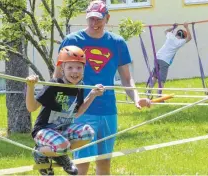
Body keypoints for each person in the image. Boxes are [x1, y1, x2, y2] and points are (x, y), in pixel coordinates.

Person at [53, 1, 151, 175]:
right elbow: (57, 76)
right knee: (82, 163)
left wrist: (136, 98)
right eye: (90, 19)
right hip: (81, 111)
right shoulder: (73, 41)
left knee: (105, 161)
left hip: (108, 110)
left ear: (107, 18)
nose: (94, 23)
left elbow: (127, 79)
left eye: (98, 19)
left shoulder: (117, 43)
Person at [26, 45, 105, 175]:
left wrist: (92, 95)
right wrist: (30, 87)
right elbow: (31, 107)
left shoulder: (79, 87)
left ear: (83, 69)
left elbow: (77, 112)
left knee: (88, 133)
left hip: (63, 129)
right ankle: (40, 153)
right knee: (62, 145)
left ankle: (59, 153)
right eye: (70, 67)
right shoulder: (54, 85)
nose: (75, 71)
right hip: (44, 130)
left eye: (79, 67)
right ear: (62, 69)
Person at [147, 22, 192, 97]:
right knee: (162, 79)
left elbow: (166, 31)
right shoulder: (179, 42)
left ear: (176, 34)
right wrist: (186, 27)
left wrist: (173, 27)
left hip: (157, 57)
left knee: (155, 76)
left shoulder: (170, 36)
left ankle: (148, 92)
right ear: (183, 37)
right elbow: (189, 38)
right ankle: (159, 96)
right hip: (164, 60)